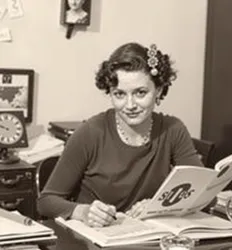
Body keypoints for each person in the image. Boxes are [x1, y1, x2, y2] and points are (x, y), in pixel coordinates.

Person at [37, 42, 203, 228]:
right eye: (119, 94)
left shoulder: (173, 129)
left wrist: (161, 207)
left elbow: (204, 193)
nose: (130, 105)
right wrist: (83, 212)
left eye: (140, 93)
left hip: (148, 237)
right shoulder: (90, 132)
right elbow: (46, 202)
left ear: (159, 90)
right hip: (95, 240)